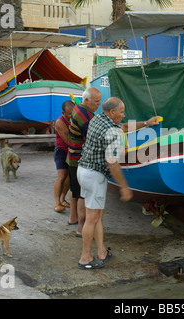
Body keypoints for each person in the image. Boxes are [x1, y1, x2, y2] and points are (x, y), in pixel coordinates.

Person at [77, 97, 161, 269]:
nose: (123, 115)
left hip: (84, 171)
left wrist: (146, 123)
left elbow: (122, 127)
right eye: (121, 112)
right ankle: (85, 257)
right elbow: (113, 162)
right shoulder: (112, 132)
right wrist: (124, 187)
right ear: (112, 112)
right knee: (92, 219)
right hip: (94, 176)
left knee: (97, 216)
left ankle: (101, 252)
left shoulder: (98, 118)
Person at [67, 87, 102, 234]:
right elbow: (91, 141)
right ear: (86, 100)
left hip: (72, 156)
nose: (98, 104)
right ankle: (82, 227)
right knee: (82, 194)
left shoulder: (79, 107)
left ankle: (73, 218)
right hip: (79, 159)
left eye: (100, 101)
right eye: (96, 101)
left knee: (75, 191)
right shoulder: (85, 117)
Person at [53, 100, 74, 213]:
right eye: (69, 114)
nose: (71, 116)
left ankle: (62, 199)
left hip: (71, 151)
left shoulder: (74, 120)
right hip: (61, 151)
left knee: (69, 178)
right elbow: (68, 140)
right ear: (63, 112)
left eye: (73, 113)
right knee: (61, 176)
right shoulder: (60, 122)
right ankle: (57, 202)